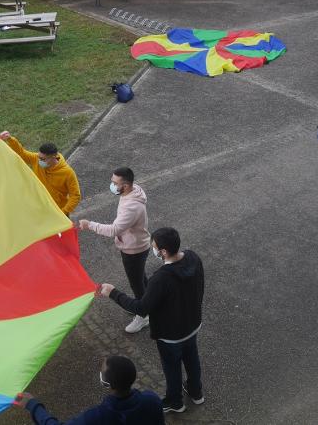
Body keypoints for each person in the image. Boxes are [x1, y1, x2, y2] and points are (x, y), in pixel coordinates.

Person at [99, 228, 205, 414]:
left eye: (154, 247)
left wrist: (113, 293)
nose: (153, 250)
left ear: (163, 252)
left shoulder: (161, 278)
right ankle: (196, 392)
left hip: (170, 336)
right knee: (192, 358)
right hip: (193, 325)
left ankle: (175, 402)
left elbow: (141, 308)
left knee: (172, 368)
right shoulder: (193, 257)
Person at [78, 167, 151, 333]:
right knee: (141, 278)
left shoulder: (131, 206)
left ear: (125, 186)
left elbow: (114, 230)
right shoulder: (133, 191)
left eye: (114, 183)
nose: (111, 185)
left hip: (133, 249)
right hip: (139, 244)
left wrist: (89, 225)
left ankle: (143, 315)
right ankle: (147, 304)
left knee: (137, 283)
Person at [15, 355, 165, 425]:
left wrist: (33, 405)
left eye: (102, 370)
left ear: (107, 385)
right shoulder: (152, 399)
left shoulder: (97, 417)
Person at [0, 131, 81, 216]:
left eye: (43, 159)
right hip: (39, 207)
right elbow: (21, 153)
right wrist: (10, 139)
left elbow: (75, 195)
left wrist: (64, 212)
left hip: (59, 211)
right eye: (39, 157)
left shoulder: (68, 173)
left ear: (53, 157)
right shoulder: (36, 159)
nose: (39, 160)